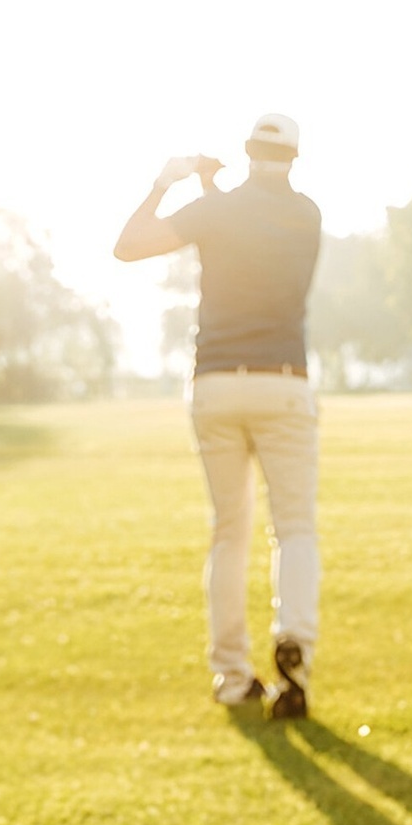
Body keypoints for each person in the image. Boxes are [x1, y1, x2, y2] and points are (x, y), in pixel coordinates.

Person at [113, 113, 323, 719]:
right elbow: (250, 236)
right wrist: (213, 192)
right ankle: (295, 651)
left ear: (247, 151)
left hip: (216, 386)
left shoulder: (219, 210)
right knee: (296, 529)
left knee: (230, 532)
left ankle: (233, 677)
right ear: (295, 158)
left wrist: (168, 182)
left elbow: (129, 246)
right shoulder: (306, 214)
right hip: (284, 385)